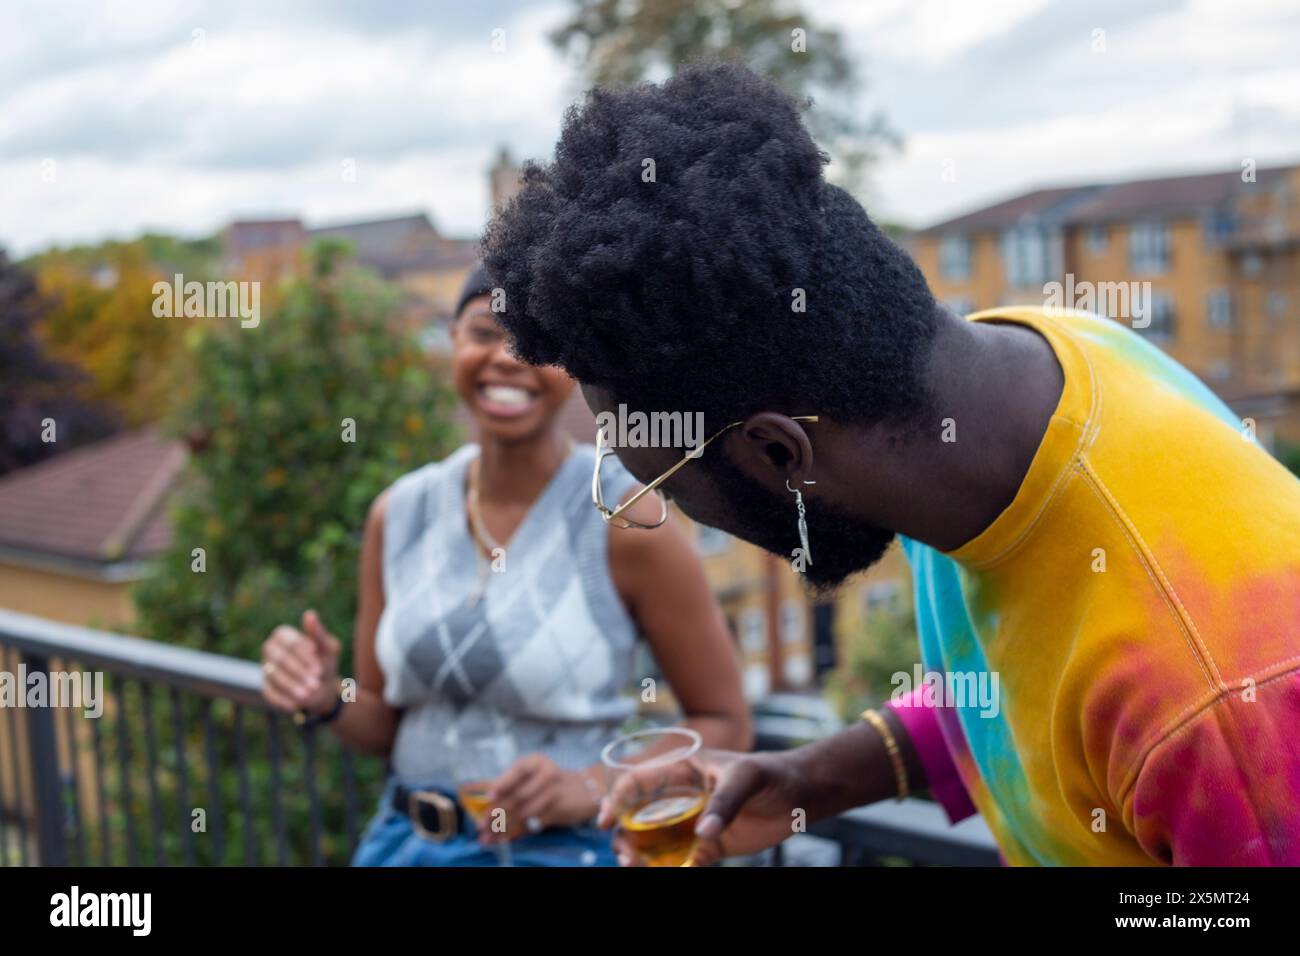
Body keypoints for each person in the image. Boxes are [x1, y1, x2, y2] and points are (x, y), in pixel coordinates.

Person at [481, 61, 1300, 866]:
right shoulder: (992, 389)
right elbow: (1024, 685)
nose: (649, 509)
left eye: (655, 483)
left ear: (777, 453)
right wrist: (807, 778)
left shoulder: (1219, 709)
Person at [258, 263, 752, 866]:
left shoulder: (628, 518)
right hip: (403, 845)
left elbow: (725, 722)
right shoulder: (400, 512)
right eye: (484, 331)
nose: (507, 357)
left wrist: (591, 786)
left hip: (560, 850)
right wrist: (326, 696)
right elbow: (385, 727)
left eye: (537, 342)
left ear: (574, 367)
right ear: (454, 344)